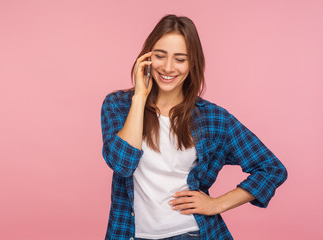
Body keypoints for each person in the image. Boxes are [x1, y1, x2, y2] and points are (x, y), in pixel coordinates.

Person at [100, 14, 288, 240]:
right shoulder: (118, 105)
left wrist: (216, 204)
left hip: (191, 233)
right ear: (147, 58)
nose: (168, 67)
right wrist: (139, 97)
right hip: (129, 233)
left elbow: (271, 168)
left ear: (192, 64)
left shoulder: (212, 118)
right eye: (160, 56)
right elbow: (122, 164)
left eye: (180, 59)